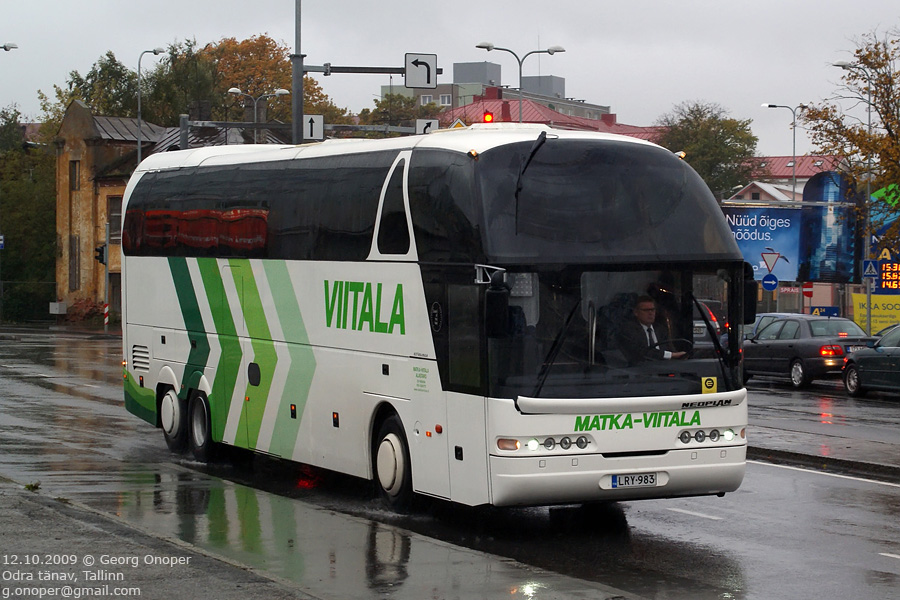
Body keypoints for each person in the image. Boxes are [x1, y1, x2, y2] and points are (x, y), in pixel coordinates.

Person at [616, 295, 686, 365]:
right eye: (646, 310)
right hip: (640, 370)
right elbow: (642, 352)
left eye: (652, 310)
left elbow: (671, 349)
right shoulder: (628, 329)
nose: (650, 313)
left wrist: (680, 356)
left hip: (665, 369)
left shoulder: (661, 329)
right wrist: (670, 355)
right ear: (636, 313)